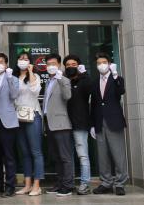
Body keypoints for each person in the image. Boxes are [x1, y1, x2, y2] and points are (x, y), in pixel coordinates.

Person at [90, 53, 127, 196]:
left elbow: (121, 91)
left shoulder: (117, 79)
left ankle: (120, 183)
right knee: (102, 155)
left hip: (114, 121)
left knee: (118, 154)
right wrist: (92, 124)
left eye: (104, 62)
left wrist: (115, 75)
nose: (101, 65)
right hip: (100, 122)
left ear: (110, 64)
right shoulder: (95, 82)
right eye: (99, 63)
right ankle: (106, 182)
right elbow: (94, 104)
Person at [42, 54, 74, 197]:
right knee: (56, 157)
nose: (51, 66)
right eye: (48, 64)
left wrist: (61, 79)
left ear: (59, 64)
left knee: (65, 157)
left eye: (53, 63)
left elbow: (67, 96)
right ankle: (60, 183)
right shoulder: (48, 82)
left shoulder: (64, 80)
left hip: (61, 124)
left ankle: (68, 185)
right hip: (49, 124)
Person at [14, 52, 44, 196]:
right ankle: (27, 185)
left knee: (35, 152)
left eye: (26, 59)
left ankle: (37, 186)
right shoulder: (14, 78)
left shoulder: (35, 76)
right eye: (21, 58)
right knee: (24, 153)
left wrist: (31, 71)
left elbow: (35, 91)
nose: (23, 61)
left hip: (33, 115)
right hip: (18, 117)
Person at [0, 53, 19, 198]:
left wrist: (9, 77)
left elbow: (14, 95)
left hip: (7, 121)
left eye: (1, 62)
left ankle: (10, 186)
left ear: (6, 64)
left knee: (8, 156)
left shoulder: (13, 79)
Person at [64, 55, 92, 195]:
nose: (70, 67)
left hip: (80, 123)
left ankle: (84, 183)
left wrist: (84, 74)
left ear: (79, 66)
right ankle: (68, 183)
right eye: (68, 65)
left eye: (74, 64)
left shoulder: (84, 81)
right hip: (64, 124)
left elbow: (90, 90)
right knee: (67, 156)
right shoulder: (63, 80)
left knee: (82, 155)